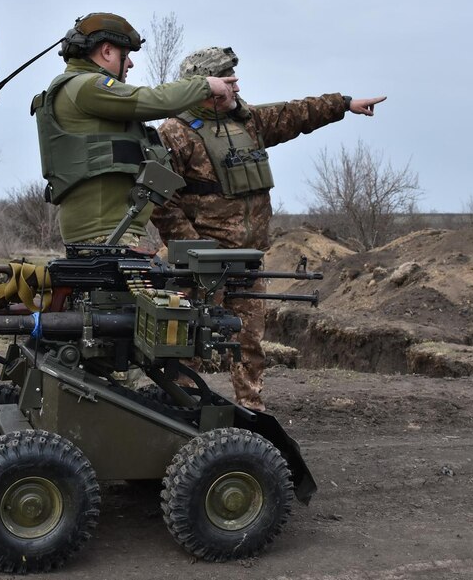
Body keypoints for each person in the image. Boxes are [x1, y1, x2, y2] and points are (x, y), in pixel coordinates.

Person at [151, 46, 385, 410]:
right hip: (199, 266)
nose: (237, 86)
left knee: (248, 342)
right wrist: (193, 248)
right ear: (207, 86)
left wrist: (345, 104)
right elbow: (161, 203)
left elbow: (296, 113)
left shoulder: (248, 122)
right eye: (229, 80)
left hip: (248, 260)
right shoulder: (174, 133)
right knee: (188, 342)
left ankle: (252, 411)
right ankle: (180, 412)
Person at [32, 13, 238, 246]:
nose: (130, 63)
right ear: (107, 51)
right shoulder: (86, 86)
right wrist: (204, 85)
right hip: (104, 232)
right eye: (126, 55)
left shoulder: (78, 86)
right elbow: (152, 101)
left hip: (110, 228)